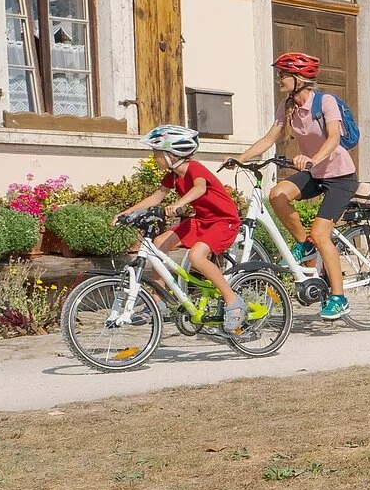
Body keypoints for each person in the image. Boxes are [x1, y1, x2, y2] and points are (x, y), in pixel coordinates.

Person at [231, 51, 356, 321]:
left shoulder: (326, 102)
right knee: (277, 195)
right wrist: (239, 158)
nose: (280, 79)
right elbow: (269, 138)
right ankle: (304, 244)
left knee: (322, 233)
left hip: (340, 176)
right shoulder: (287, 106)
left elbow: (334, 138)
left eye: (283, 75)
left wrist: (313, 159)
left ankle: (339, 297)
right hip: (314, 173)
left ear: (299, 78)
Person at [118, 125, 247, 333]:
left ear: (172, 154)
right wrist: (125, 213)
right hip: (202, 220)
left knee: (197, 256)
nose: (154, 157)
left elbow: (200, 188)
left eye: (156, 153)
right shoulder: (173, 176)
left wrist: (179, 204)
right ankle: (158, 300)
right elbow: (157, 197)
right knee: (157, 245)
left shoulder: (194, 168)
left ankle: (233, 300)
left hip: (224, 221)